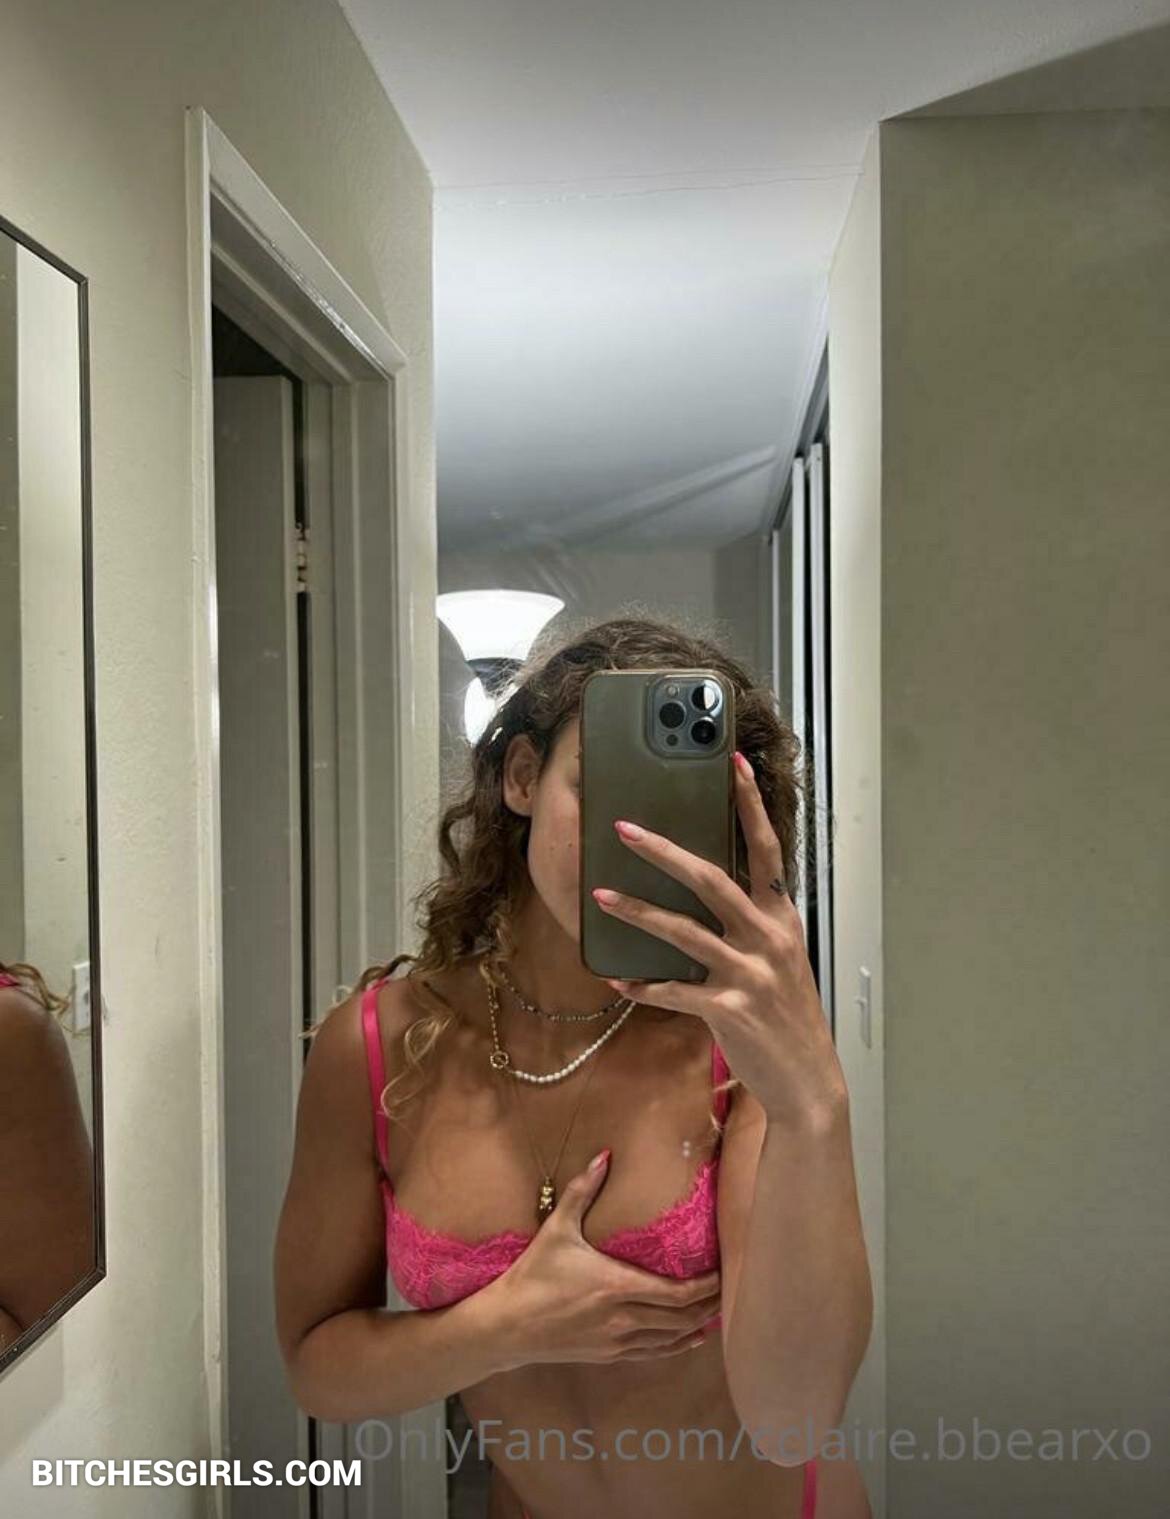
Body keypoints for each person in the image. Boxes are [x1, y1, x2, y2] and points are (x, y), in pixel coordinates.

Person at [275, 615, 873, 1518]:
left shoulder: (736, 1043)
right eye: (602, 790)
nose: (632, 839)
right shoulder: (378, 1046)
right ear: (522, 777)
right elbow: (319, 1371)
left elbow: (792, 1421)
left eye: (676, 811)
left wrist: (812, 1103)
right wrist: (507, 1324)